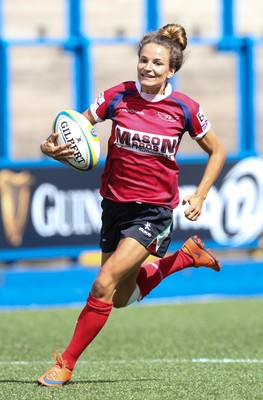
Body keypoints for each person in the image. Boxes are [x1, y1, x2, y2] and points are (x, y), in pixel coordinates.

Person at [37, 23, 226, 387]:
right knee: (120, 297)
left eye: (157, 63)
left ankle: (66, 364)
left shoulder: (185, 108)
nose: (148, 68)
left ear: (172, 70)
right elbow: (75, 131)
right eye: (143, 60)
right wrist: (52, 149)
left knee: (102, 284)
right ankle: (184, 258)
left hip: (153, 212)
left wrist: (201, 194)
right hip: (114, 205)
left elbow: (218, 151)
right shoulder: (117, 96)